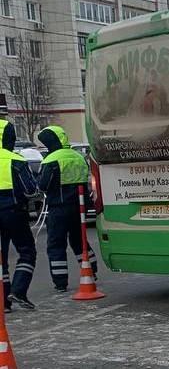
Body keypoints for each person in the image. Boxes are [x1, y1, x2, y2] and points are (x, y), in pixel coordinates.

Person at [37, 125, 97, 292]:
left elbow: (43, 185)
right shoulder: (78, 157)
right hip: (79, 207)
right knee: (79, 241)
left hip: (59, 207)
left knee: (56, 244)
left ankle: (60, 282)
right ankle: (92, 270)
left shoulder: (51, 159)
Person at [0, 120, 38, 310]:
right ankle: (19, 291)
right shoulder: (15, 160)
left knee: (1, 258)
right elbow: (31, 189)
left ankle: (3, 301)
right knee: (27, 251)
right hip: (13, 211)